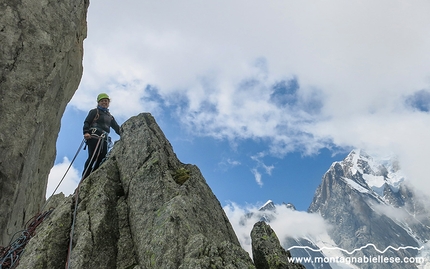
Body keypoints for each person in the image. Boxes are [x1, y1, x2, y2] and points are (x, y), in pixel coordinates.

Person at [82, 93, 121, 179]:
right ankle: (85, 177)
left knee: (102, 158)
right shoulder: (94, 112)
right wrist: (86, 132)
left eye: (106, 101)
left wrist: (124, 133)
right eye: (102, 101)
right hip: (94, 136)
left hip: (104, 139)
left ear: (108, 103)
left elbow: (117, 128)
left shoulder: (110, 117)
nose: (104, 102)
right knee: (93, 156)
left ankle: (93, 175)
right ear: (98, 102)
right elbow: (87, 122)